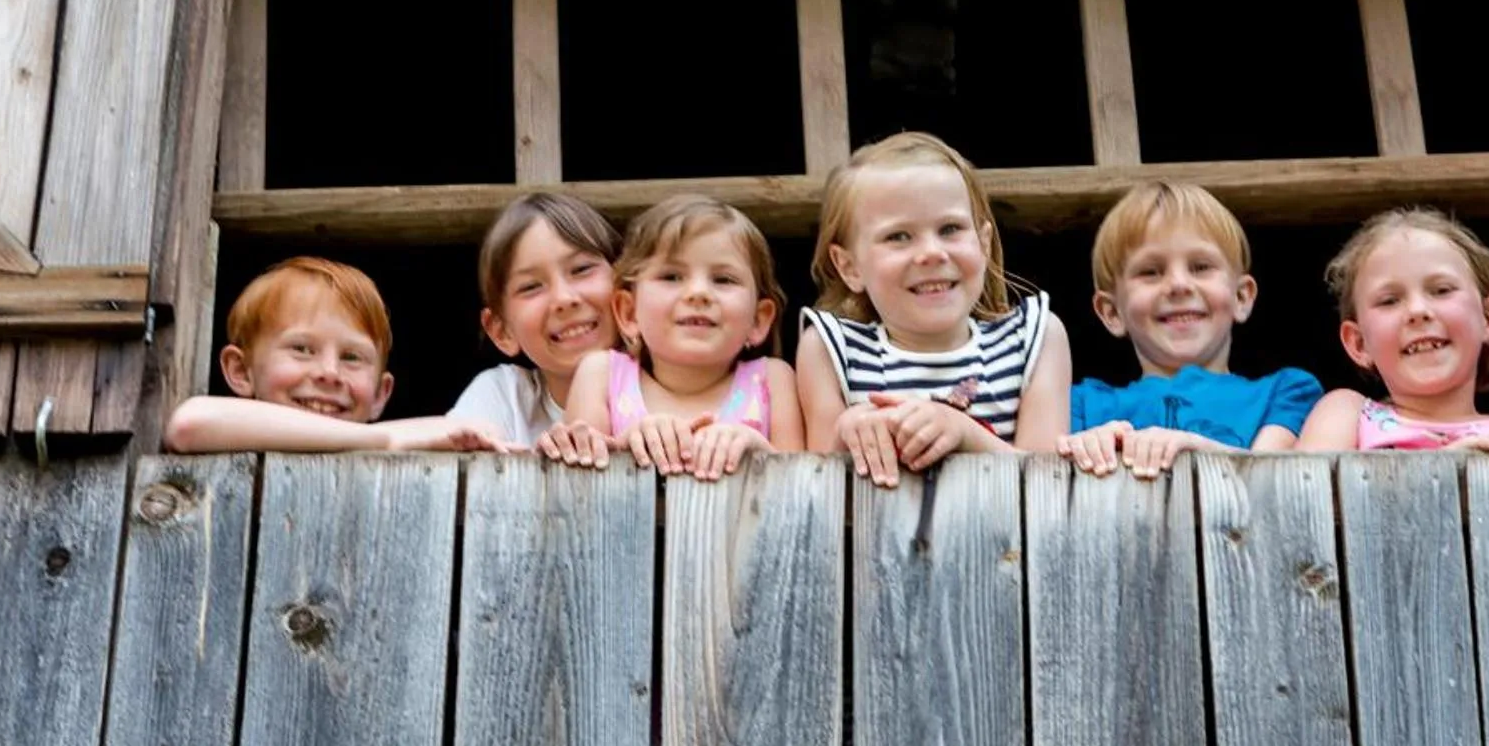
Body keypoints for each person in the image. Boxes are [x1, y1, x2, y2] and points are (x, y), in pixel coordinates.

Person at [798, 131, 1071, 485]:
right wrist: (845, 434)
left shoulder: (1033, 339)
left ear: (984, 243)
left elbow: (1048, 484)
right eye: (898, 236)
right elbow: (817, 488)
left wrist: (964, 432)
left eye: (950, 228)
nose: (932, 253)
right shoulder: (831, 350)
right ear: (849, 267)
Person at [1060, 180, 1321, 476]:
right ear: (1112, 312)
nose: (1179, 285)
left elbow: (1271, 479)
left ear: (1241, 297)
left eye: (1200, 267)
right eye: (1150, 271)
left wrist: (1199, 450)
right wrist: (1089, 449)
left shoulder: (1285, 393)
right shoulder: (1079, 407)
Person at [1297, 208, 1489, 454]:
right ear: (1358, 343)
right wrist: (1446, 469)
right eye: (1389, 300)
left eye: (1442, 290)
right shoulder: (1347, 415)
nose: (1417, 311)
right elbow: (1300, 497)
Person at [544, 196, 802, 478]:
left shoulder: (772, 380)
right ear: (629, 313)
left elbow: (805, 484)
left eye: (723, 279)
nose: (698, 292)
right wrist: (626, 447)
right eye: (672, 277)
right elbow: (575, 482)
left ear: (758, 320)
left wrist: (760, 452)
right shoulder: (601, 376)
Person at [163, 256, 512, 452]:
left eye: (352, 357)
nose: (329, 372)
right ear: (240, 370)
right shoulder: (221, 429)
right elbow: (189, 424)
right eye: (302, 349)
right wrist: (387, 439)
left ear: (381, 394)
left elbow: (481, 429)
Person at [448, 191, 622, 444]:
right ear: (502, 331)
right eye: (531, 287)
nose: (564, 298)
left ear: (627, 289)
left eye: (581, 269)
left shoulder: (668, 381)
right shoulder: (506, 396)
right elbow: (446, 437)